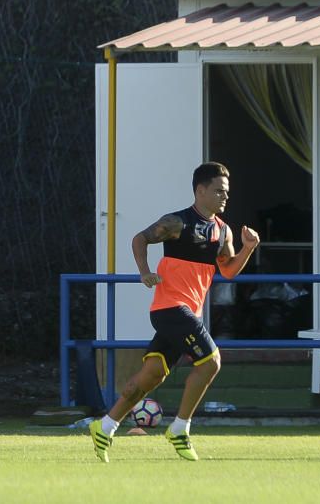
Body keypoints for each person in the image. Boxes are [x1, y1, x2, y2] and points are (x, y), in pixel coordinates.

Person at [90, 162, 259, 462]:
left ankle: (105, 426)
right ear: (200, 190)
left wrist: (248, 248)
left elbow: (229, 271)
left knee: (151, 375)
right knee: (211, 362)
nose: (224, 197)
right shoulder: (177, 222)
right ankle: (180, 428)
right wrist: (144, 272)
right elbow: (140, 238)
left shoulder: (223, 232)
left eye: (227, 192)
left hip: (186, 313)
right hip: (169, 308)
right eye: (219, 191)